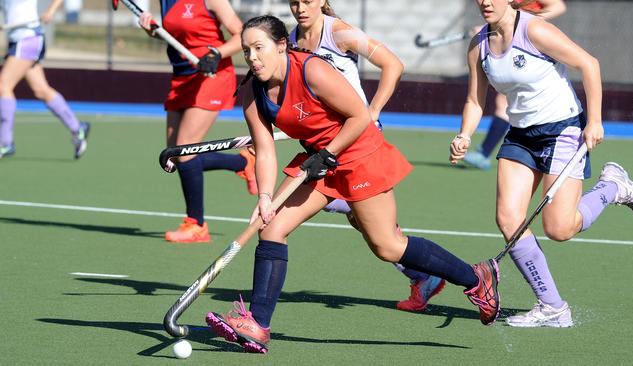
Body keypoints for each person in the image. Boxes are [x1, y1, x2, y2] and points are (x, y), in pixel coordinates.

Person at [204, 15, 500, 354]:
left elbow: (360, 115)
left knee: (387, 246)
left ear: (281, 45)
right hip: (318, 162)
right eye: (246, 51)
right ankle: (258, 324)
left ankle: (477, 278)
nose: (253, 57)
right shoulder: (254, 95)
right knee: (271, 228)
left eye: (259, 48)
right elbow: (266, 151)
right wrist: (266, 197)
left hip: (359, 154)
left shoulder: (311, 70)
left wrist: (329, 152)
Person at [450, 0, 633, 327]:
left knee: (559, 228)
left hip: (562, 131)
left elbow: (589, 64)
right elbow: (475, 99)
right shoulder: (479, 45)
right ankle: (552, 306)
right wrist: (464, 135)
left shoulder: (534, 30)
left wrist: (595, 121)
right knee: (509, 219)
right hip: (520, 136)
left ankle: (614, 187)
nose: (485, 2)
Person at [287, 0, 445, 312]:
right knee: (360, 220)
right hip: (326, 144)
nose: (301, 8)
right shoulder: (292, 39)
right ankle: (421, 276)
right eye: (294, 2)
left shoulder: (339, 33)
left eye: (307, 1)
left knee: (365, 221)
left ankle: (444, 275)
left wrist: (372, 111)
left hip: (358, 139)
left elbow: (393, 64)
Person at [138, 0, 256, 243]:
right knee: (174, 155)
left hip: (211, 77)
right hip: (182, 78)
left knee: (184, 149)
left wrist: (216, 53)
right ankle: (242, 163)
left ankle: (196, 225)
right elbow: (182, 37)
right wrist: (156, 31)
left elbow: (241, 34)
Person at [463, 0, 567, 170]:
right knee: (502, 103)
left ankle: (485, 152)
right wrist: (496, 26)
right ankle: (485, 152)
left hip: (528, 44)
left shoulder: (530, 25)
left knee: (505, 103)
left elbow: (558, 6)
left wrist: (521, 21)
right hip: (509, 43)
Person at [0, 0, 90, 159]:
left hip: (28, 37)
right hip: (16, 39)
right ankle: (77, 128)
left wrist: (51, 11)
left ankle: (5, 142)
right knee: (40, 89)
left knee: (3, 85)